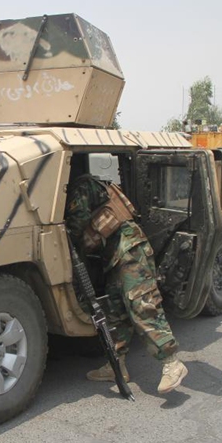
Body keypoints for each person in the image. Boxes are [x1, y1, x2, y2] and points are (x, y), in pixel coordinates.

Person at [65, 165, 187, 395]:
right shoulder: (92, 185)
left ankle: (172, 363)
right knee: (116, 310)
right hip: (116, 255)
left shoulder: (81, 187)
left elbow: (75, 224)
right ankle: (116, 366)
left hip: (130, 249)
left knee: (141, 304)